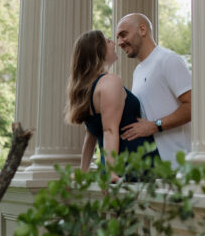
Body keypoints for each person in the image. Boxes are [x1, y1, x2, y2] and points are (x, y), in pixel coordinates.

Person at [65, 29, 156, 181]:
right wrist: (112, 173)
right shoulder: (110, 81)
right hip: (133, 168)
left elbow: (91, 135)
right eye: (108, 41)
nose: (114, 43)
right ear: (97, 51)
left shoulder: (86, 90)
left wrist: (84, 171)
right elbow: (109, 130)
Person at [115, 13, 191, 164]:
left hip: (178, 163)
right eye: (117, 38)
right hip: (153, 165)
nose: (119, 42)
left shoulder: (168, 60)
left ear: (142, 30)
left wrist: (155, 126)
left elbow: (192, 106)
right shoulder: (137, 71)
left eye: (123, 35)